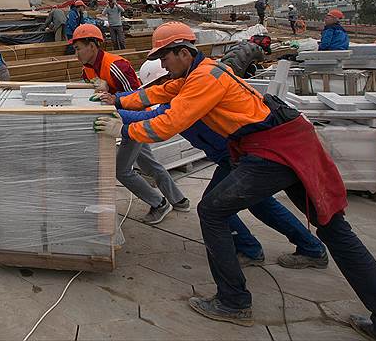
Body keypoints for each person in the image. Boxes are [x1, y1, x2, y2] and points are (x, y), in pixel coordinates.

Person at [95, 21, 376, 338]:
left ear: (183, 53)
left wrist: (120, 127)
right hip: (279, 143)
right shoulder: (196, 74)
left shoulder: (203, 79)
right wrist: (118, 102)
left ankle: (233, 302)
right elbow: (157, 92)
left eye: (164, 57)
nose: (162, 64)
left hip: (273, 148)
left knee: (213, 210)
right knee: (333, 231)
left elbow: (167, 123)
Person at [109, 58, 328, 268]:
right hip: (234, 155)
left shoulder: (189, 97)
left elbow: (156, 119)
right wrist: (116, 102)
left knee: (217, 205)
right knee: (259, 204)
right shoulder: (178, 92)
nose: (157, 88)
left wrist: (114, 117)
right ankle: (306, 248)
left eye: (159, 83)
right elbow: (146, 101)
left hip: (238, 155)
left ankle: (256, 249)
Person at [73, 24, 187, 224]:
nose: (76, 53)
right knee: (148, 163)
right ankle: (179, 199)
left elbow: (138, 98)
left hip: (135, 121)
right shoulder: (87, 70)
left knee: (122, 170)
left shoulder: (116, 65)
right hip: (120, 120)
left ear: (92, 45)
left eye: (78, 48)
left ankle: (159, 203)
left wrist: (123, 123)